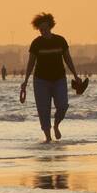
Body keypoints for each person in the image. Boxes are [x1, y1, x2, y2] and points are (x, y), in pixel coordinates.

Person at [20, 12, 81, 142]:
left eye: (45, 28)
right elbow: (31, 63)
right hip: (40, 81)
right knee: (43, 110)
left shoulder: (60, 41)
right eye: (40, 29)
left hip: (59, 79)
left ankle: (56, 125)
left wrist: (76, 75)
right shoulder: (36, 43)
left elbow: (68, 60)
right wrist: (25, 81)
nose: (42, 31)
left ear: (50, 26)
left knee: (63, 105)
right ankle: (48, 138)